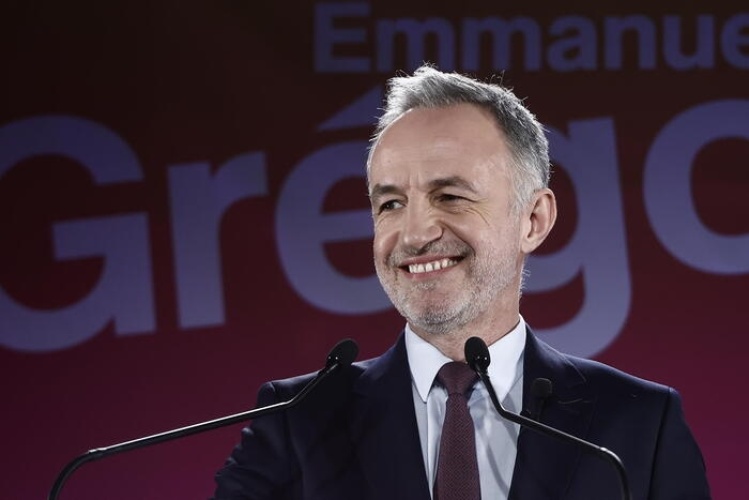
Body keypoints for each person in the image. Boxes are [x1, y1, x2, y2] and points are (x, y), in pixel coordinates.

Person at [213, 65, 710, 499]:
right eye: (390, 204)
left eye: (450, 196)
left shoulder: (639, 423)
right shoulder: (299, 418)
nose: (415, 233)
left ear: (533, 219)